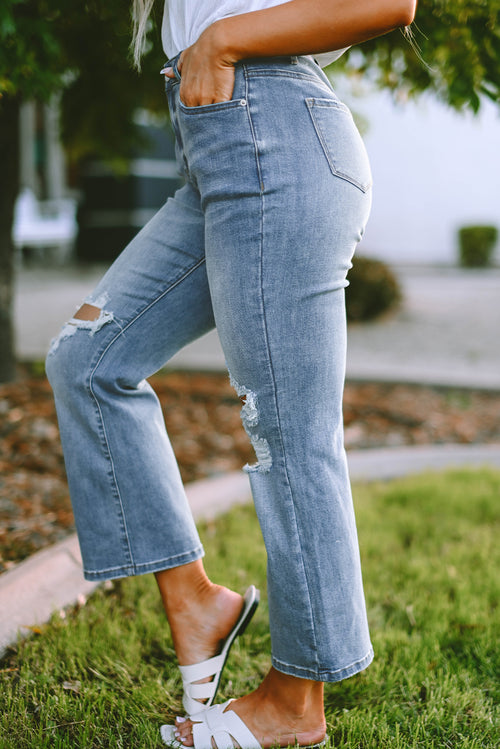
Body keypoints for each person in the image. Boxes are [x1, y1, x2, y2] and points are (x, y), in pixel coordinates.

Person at [46, 1, 417, 747]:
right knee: (88, 359)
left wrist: (222, 41)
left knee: (288, 428)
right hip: (216, 146)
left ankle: (296, 699)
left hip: (275, 135)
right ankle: (196, 601)